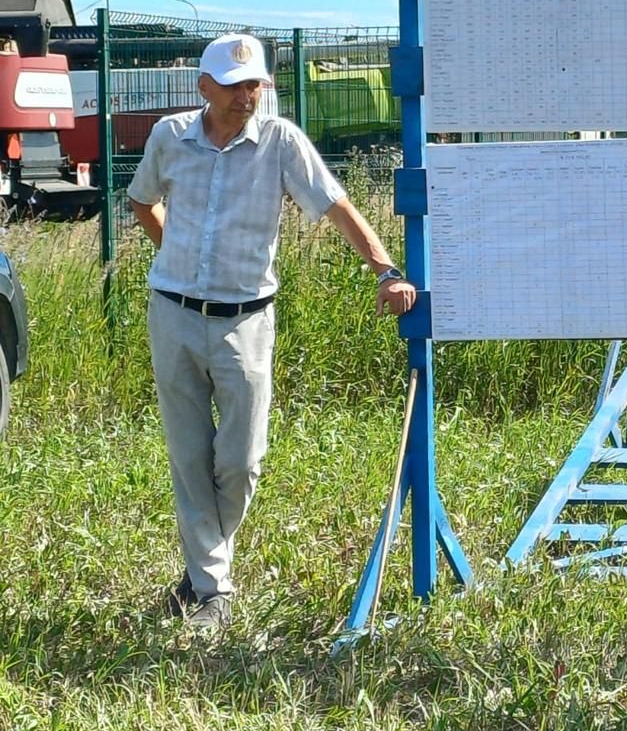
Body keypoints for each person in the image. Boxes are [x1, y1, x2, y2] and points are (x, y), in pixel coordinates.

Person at [128, 33, 416, 629]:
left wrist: (386, 270)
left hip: (246, 321)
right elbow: (141, 201)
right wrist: (176, 256)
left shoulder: (280, 141)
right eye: (234, 87)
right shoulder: (168, 137)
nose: (247, 97)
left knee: (241, 459)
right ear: (204, 88)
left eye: (255, 84)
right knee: (188, 456)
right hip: (173, 315)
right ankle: (214, 592)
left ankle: (200, 569)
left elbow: (337, 206)